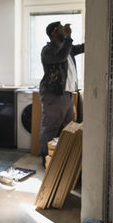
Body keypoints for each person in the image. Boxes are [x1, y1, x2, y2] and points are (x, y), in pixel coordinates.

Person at [38, 21, 84, 166]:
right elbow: (61, 57)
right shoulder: (48, 50)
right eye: (62, 28)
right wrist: (68, 37)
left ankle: (62, 158)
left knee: (68, 126)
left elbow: (82, 48)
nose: (65, 29)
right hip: (54, 94)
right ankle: (45, 158)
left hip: (67, 94)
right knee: (51, 127)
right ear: (54, 31)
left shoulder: (67, 48)